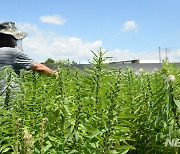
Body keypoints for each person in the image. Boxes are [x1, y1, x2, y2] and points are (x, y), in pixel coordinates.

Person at [0, 22, 58, 96]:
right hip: (8, 101)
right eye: (14, 39)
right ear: (7, 39)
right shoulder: (12, 52)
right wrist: (58, 76)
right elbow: (40, 68)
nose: (15, 44)